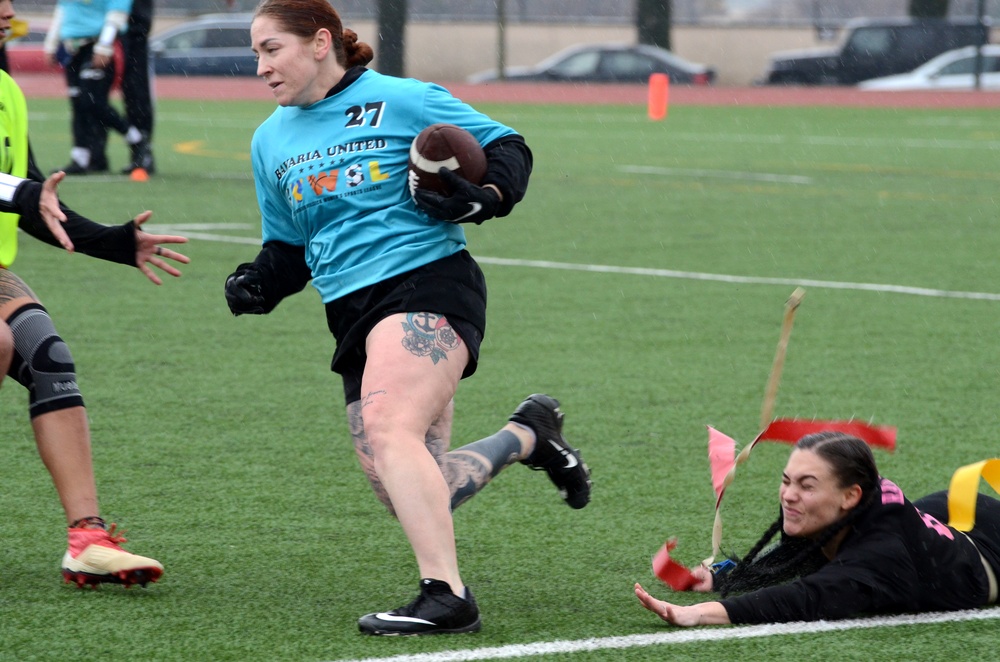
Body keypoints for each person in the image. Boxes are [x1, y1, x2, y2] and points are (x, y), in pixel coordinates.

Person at [224, 0, 592, 636]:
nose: (260, 66)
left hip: (428, 284)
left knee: (389, 424)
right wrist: (258, 281)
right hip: (349, 313)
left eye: (270, 49)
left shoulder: (403, 98)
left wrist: (490, 197)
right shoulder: (269, 140)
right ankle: (528, 435)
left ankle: (446, 597)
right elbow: (288, 246)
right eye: (255, 52)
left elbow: (506, 145)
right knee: (417, 488)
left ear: (319, 43)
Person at [1, 0, 190, 587]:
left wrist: (115, 243)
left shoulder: (5, 90)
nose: (8, 8)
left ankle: (86, 538)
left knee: (44, 350)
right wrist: (21, 194)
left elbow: (32, 198)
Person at [635, 432, 1000, 626]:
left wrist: (699, 613)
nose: (789, 496)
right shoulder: (852, 502)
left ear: (850, 496)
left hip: (988, 549)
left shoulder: (878, 557)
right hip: (948, 515)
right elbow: (799, 551)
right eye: (786, 481)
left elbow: (807, 596)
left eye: (807, 486)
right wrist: (726, 579)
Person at [43, 0, 149, 175]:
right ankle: (80, 158)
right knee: (77, 103)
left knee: (92, 101)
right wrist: (51, 44)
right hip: (71, 47)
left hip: (97, 44)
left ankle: (135, 138)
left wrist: (104, 45)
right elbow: (62, 11)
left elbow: (117, 14)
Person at [119, 0, 154, 175]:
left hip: (133, 30)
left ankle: (143, 152)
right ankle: (93, 155)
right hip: (113, 27)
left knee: (137, 93)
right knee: (95, 95)